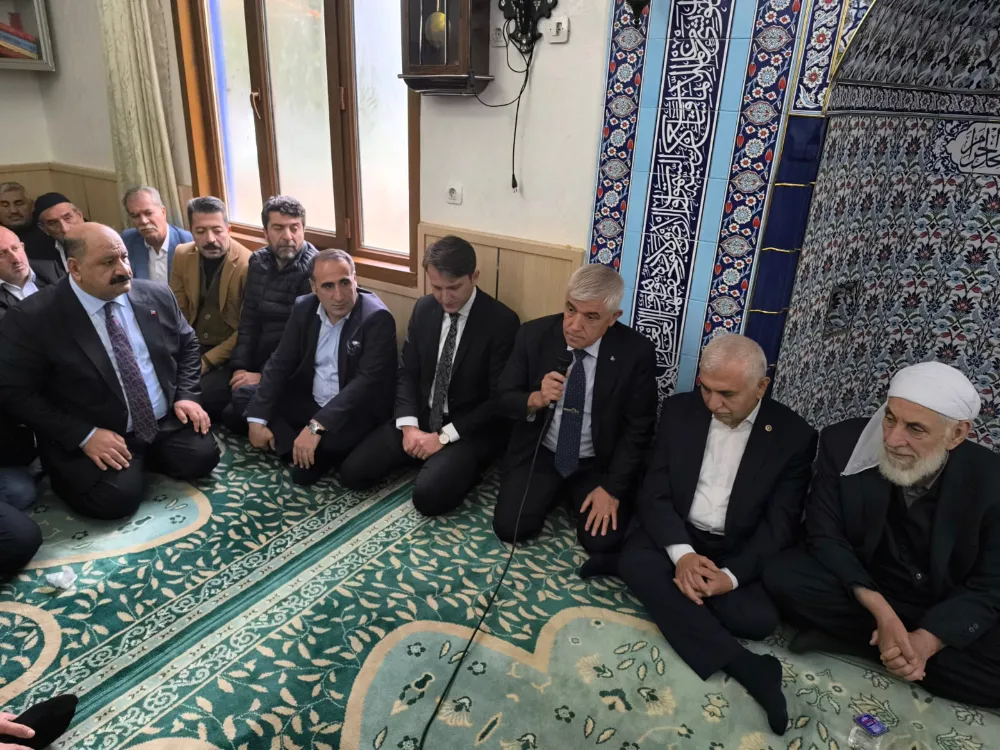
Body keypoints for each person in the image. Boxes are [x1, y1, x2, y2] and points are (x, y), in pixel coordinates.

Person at [610, 334, 817, 735]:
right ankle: (748, 666)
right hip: (678, 534)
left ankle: (653, 583)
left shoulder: (794, 436)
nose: (712, 403)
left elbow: (780, 524)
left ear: (761, 386)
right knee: (639, 561)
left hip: (733, 548)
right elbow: (654, 492)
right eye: (706, 389)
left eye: (727, 394)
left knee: (756, 619)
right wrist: (683, 556)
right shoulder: (679, 411)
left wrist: (730, 577)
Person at [764, 361, 1000, 708]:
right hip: (868, 586)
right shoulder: (842, 443)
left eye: (915, 429)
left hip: (943, 601)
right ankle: (892, 644)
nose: (891, 439)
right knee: (782, 574)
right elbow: (824, 534)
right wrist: (881, 611)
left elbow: (989, 586)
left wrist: (927, 641)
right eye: (890, 418)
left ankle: (868, 645)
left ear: (957, 434)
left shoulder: (991, 482)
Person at [0, 223, 220, 521]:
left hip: (162, 419)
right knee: (114, 502)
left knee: (202, 458)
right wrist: (83, 435)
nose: (123, 270)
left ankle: (141, 459)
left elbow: (189, 344)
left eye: (124, 257)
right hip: (94, 428)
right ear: (75, 268)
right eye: (108, 262)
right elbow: (15, 392)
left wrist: (187, 395)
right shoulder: (33, 317)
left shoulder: (155, 294)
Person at [340, 237, 520, 515]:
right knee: (352, 473)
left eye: (454, 287)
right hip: (423, 414)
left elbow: (498, 400)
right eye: (437, 288)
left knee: (428, 499)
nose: (445, 297)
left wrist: (443, 438)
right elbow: (407, 372)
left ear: (474, 276)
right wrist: (409, 426)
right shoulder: (424, 308)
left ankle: (455, 465)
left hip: (465, 428)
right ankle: (425, 455)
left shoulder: (501, 321)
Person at [493, 264, 657, 554]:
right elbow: (502, 398)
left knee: (601, 541)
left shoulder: (636, 353)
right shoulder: (534, 335)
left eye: (591, 316)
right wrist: (535, 398)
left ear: (613, 318)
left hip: (596, 461)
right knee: (510, 527)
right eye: (570, 309)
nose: (574, 325)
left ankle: (571, 493)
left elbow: (639, 429)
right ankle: (553, 492)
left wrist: (612, 488)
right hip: (542, 452)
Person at [245, 250, 396, 485]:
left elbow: (363, 385)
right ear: (313, 287)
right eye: (328, 286)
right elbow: (280, 361)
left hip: (352, 411)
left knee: (341, 452)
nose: (339, 295)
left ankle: (301, 448)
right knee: (245, 398)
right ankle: (305, 449)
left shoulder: (376, 318)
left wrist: (315, 427)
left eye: (345, 283)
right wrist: (257, 418)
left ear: (355, 279)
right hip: (312, 400)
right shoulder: (304, 307)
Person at [222, 196, 318, 434]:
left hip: (292, 370)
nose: (288, 236)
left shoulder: (314, 270)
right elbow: (249, 320)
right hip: (260, 358)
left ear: (303, 230)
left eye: (294, 228)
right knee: (218, 404)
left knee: (235, 412)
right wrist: (241, 367)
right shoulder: (258, 261)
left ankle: (286, 435)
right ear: (265, 232)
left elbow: (304, 342)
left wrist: (264, 376)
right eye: (278, 228)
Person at [169, 197, 251, 420]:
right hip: (191, 344)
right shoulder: (181, 255)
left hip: (227, 353)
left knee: (203, 397)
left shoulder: (248, 264)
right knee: (160, 383)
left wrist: (207, 361)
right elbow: (177, 311)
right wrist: (183, 354)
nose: (210, 239)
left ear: (228, 229)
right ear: (191, 232)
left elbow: (246, 329)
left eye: (217, 230)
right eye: (201, 231)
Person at [121, 186, 193, 284]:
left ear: (163, 212)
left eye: (148, 213)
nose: (143, 221)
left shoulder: (187, 241)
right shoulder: (128, 240)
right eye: (135, 216)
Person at [0, 227, 60, 320]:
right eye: (2, 254)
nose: (16, 259)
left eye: (15, 248)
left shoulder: (50, 269)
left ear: (22, 247)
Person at [32, 192, 84, 274]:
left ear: (79, 215)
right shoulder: (41, 259)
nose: (65, 229)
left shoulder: (103, 241)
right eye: (53, 223)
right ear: (43, 229)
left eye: (67, 218)